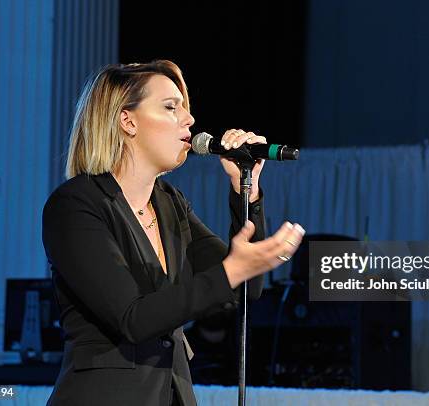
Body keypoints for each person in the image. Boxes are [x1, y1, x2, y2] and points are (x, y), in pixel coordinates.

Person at [42, 60, 305, 405]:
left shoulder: (170, 203)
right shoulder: (76, 204)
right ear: (128, 121)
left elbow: (245, 288)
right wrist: (233, 270)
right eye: (170, 107)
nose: (189, 119)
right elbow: (132, 318)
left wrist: (247, 192)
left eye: (185, 107)